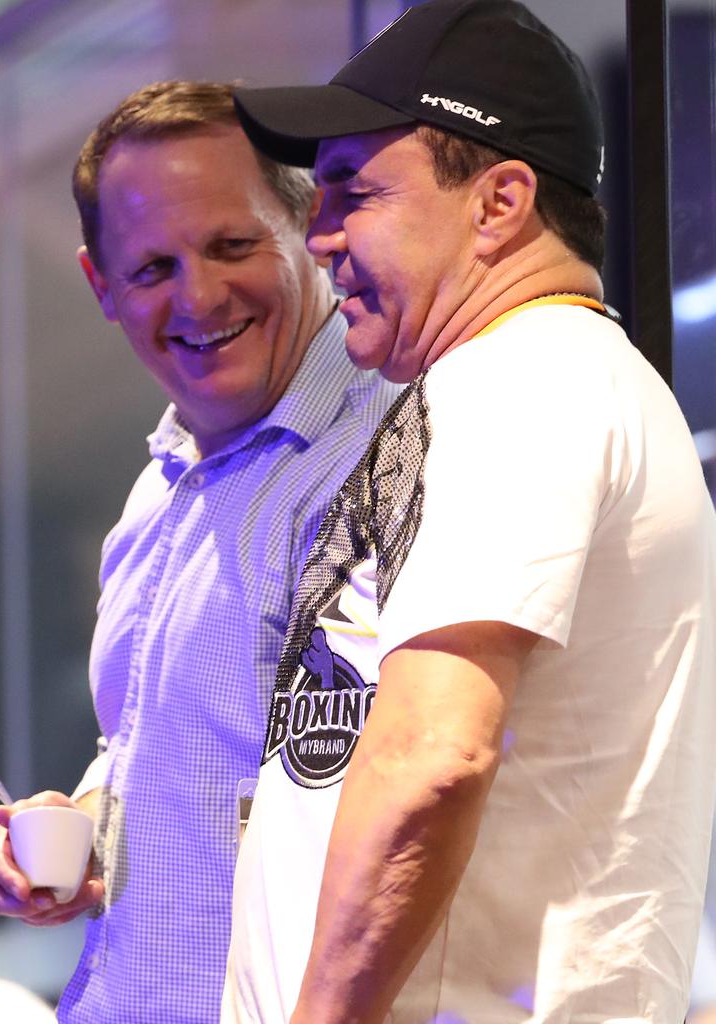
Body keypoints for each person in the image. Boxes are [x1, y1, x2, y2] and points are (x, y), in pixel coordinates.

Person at [222, 2, 716, 1020]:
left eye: (354, 190)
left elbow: (433, 754)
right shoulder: (519, 381)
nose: (316, 233)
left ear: (499, 203)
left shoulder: (528, 377)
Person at [0, 81, 399, 1022]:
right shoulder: (158, 486)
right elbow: (163, 747)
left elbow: (414, 797)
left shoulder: (387, 456)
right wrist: (84, 828)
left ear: (308, 224)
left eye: (232, 245)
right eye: (152, 268)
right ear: (99, 285)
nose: (199, 295)